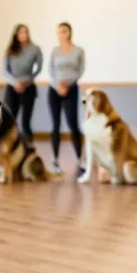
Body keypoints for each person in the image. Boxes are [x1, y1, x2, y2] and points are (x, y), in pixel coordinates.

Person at [47, 22, 85, 176]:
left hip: (71, 89)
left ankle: (79, 159)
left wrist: (68, 84)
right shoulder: (55, 51)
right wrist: (58, 85)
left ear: (69, 32)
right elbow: (50, 69)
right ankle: (55, 161)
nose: (61, 34)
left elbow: (81, 70)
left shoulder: (78, 51)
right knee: (55, 125)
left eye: (64, 31)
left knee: (73, 124)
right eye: (59, 32)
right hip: (54, 89)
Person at [2, 24, 42, 139]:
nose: (23, 34)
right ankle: (9, 149)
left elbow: (38, 69)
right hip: (12, 87)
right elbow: (5, 71)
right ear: (16, 35)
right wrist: (15, 83)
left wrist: (27, 80)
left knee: (26, 122)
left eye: (25, 32)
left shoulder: (35, 49)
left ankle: (29, 150)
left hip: (28, 87)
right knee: (10, 121)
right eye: (21, 32)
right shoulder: (10, 49)